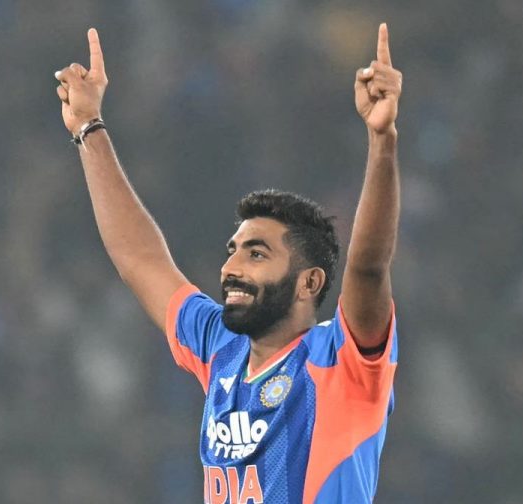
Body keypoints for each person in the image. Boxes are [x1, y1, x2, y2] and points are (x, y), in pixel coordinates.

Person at [55, 23, 403, 503]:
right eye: (232, 251)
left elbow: (368, 268)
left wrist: (382, 139)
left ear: (310, 282)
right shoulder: (222, 346)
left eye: (256, 253)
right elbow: (140, 258)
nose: (231, 267)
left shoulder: (341, 361)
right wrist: (89, 130)